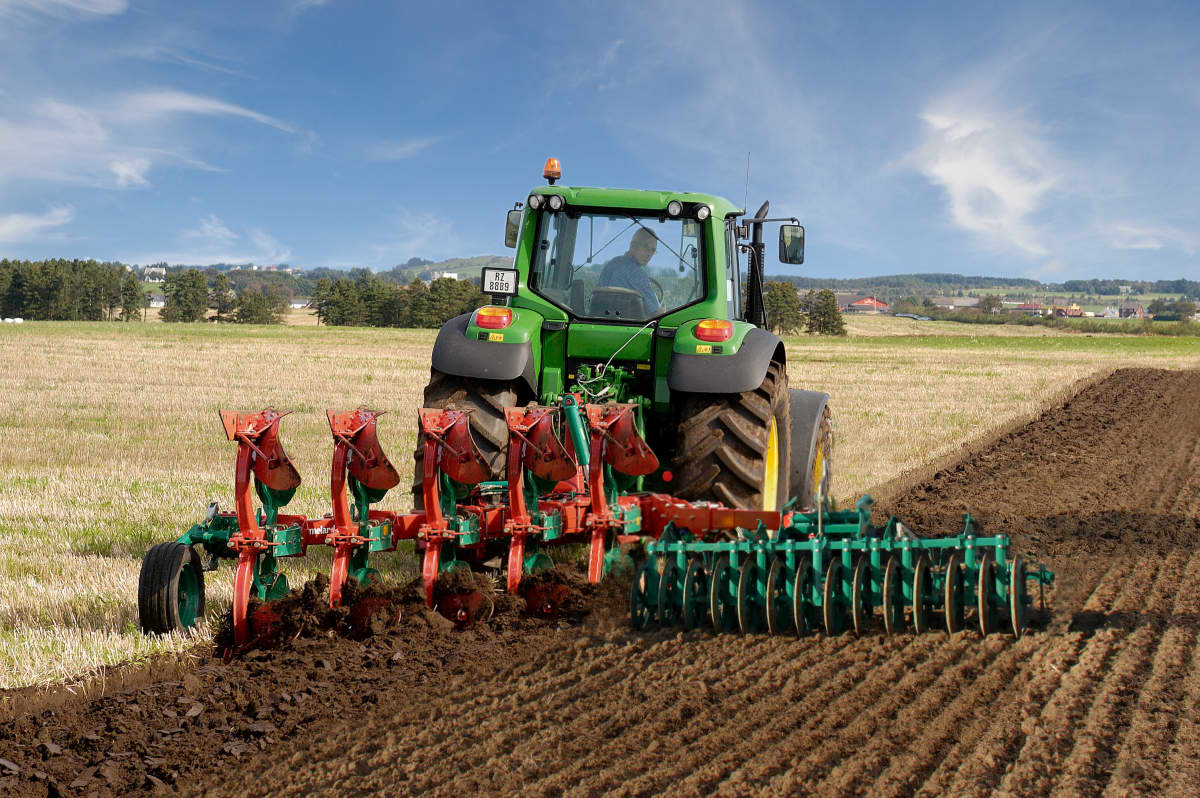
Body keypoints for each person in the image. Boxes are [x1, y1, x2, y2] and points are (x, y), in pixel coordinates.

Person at [597, 228, 661, 313]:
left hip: (600, 319)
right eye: (646, 247)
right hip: (632, 324)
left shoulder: (611, 264)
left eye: (653, 250)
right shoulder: (637, 273)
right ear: (633, 246)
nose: (649, 253)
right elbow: (656, 312)